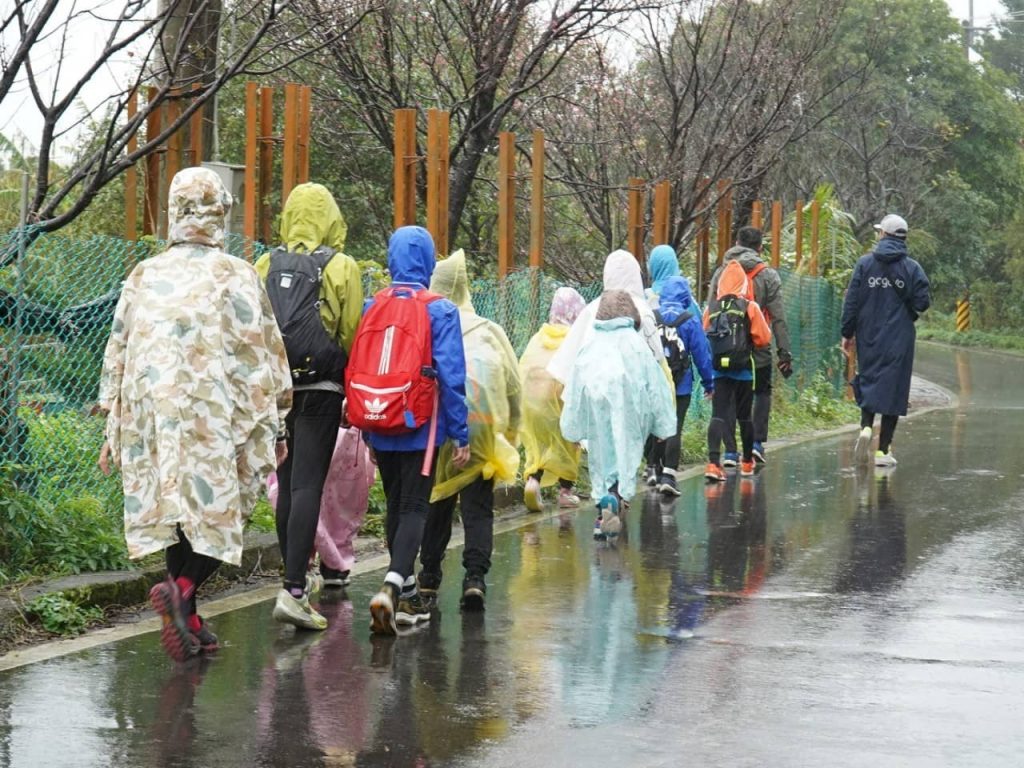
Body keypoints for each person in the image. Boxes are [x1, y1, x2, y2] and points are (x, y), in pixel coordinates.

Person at [98, 167, 292, 662]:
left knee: (175, 513)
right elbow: (262, 353)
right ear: (219, 213)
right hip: (213, 411)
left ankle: (193, 616)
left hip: (152, 413)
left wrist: (112, 423)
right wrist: (277, 421)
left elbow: (116, 349)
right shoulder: (237, 274)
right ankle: (182, 591)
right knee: (221, 508)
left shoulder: (144, 275)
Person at [256, 183, 364, 631]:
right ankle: (294, 588)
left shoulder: (263, 263)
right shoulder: (341, 266)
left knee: (285, 477)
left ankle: (291, 578)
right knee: (306, 487)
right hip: (320, 386)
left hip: (274, 390)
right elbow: (352, 333)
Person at [354, 226, 470, 635]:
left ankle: (403, 593)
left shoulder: (373, 305)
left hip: (377, 413)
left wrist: (366, 431)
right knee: (415, 507)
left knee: (395, 502)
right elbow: (452, 376)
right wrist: (461, 432)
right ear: (428, 260)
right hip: (421, 422)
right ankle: (391, 583)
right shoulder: (439, 309)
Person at [419, 250, 522, 610]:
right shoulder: (490, 331)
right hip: (482, 430)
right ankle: (475, 578)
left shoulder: (427, 323)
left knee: (438, 502)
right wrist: (511, 433)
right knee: (478, 508)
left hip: (439, 431)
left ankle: (429, 578)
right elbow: (513, 385)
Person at [560, 290, 676, 541]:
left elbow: (574, 389)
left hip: (597, 405)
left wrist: (573, 428)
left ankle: (603, 513)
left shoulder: (590, 345)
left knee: (602, 457)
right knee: (626, 453)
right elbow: (656, 388)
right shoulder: (637, 346)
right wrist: (662, 427)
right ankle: (616, 496)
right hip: (632, 408)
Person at [841, 214, 930, 466]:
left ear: (884, 235)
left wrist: (847, 333)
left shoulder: (864, 264)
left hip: (868, 333)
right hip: (899, 337)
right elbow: (923, 302)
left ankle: (866, 428)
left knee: (869, 378)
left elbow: (852, 302)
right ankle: (883, 451)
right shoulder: (912, 268)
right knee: (894, 388)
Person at [712, 227, 793, 465]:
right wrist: (784, 351)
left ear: (736, 243)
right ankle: (756, 444)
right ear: (760, 247)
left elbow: (712, 309)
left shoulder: (721, 273)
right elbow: (778, 317)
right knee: (761, 392)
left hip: (726, 345)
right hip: (758, 347)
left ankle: (729, 451)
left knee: (726, 397)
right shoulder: (768, 275)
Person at [266, 425, 376, 589]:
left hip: (287, 413)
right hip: (332, 414)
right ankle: (333, 562)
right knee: (336, 493)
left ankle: (295, 566)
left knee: (289, 487)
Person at [548, 249, 669, 386]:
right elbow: (657, 357)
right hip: (635, 393)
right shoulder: (643, 311)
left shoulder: (591, 311)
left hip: (593, 393)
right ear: (636, 276)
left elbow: (565, 366)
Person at [519, 287, 588, 512]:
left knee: (539, 444)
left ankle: (533, 481)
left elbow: (524, 368)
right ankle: (565, 492)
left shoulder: (539, 337)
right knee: (568, 443)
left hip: (533, 400)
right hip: (560, 400)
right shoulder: (575, 339)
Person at [703, 259, 772, 482]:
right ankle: (747, 463)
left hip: (719, 371)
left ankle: (714, 463)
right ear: (743, 284)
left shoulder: (711, 308)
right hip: (744, 370)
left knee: (719, 415)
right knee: (744, 416)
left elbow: (706, 335)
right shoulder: (749, 306)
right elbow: (763, 338)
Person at [646, 276, 715, 496]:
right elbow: (701, 355)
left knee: (654, 425)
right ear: (685, 295)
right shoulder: (690, 320)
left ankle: (653, 469)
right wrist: (709, 382)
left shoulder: (652, 317)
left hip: (655, 382)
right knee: (673, 426)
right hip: (681, 384)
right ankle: (668, 474)